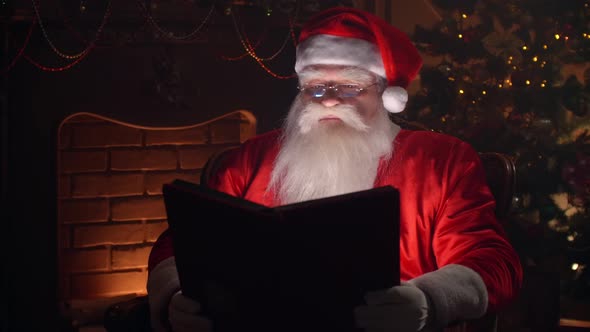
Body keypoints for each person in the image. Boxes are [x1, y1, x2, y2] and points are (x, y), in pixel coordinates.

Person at [146, 6, 523, 332]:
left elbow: (493, 261)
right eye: (316, 88)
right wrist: (175, 294)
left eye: (348, 87)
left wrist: (428, 299)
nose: (329, 102)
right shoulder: (249, 160)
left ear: (384, 92)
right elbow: (182, 239)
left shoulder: (440, 161)